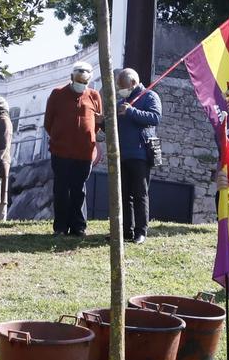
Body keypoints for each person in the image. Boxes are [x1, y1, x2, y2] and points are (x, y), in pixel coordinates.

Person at [44, 62, 102, 236]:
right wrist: (59, 137)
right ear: (71, 77)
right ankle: (60, 227)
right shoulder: (57, 94)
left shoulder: (94, 95)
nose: (81, 85)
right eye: (78, 81)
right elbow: (48, 122)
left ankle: (78, 226)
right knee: (61, 189)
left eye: (84, 82)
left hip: (84, 153)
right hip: (60, 151)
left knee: (78, 189)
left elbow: (97, 123)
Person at [114, 68, 161, 244]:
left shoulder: (149, 97)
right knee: (124, 195)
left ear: (133, 83)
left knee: (140, 194)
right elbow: (117, 125)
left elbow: (155, 117)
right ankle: (125, 231)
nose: (120, 89)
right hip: (123, 154)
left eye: (122, 85)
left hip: (141, 153)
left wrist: (132, 111)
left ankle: (141, 231)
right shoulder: (122, 101)